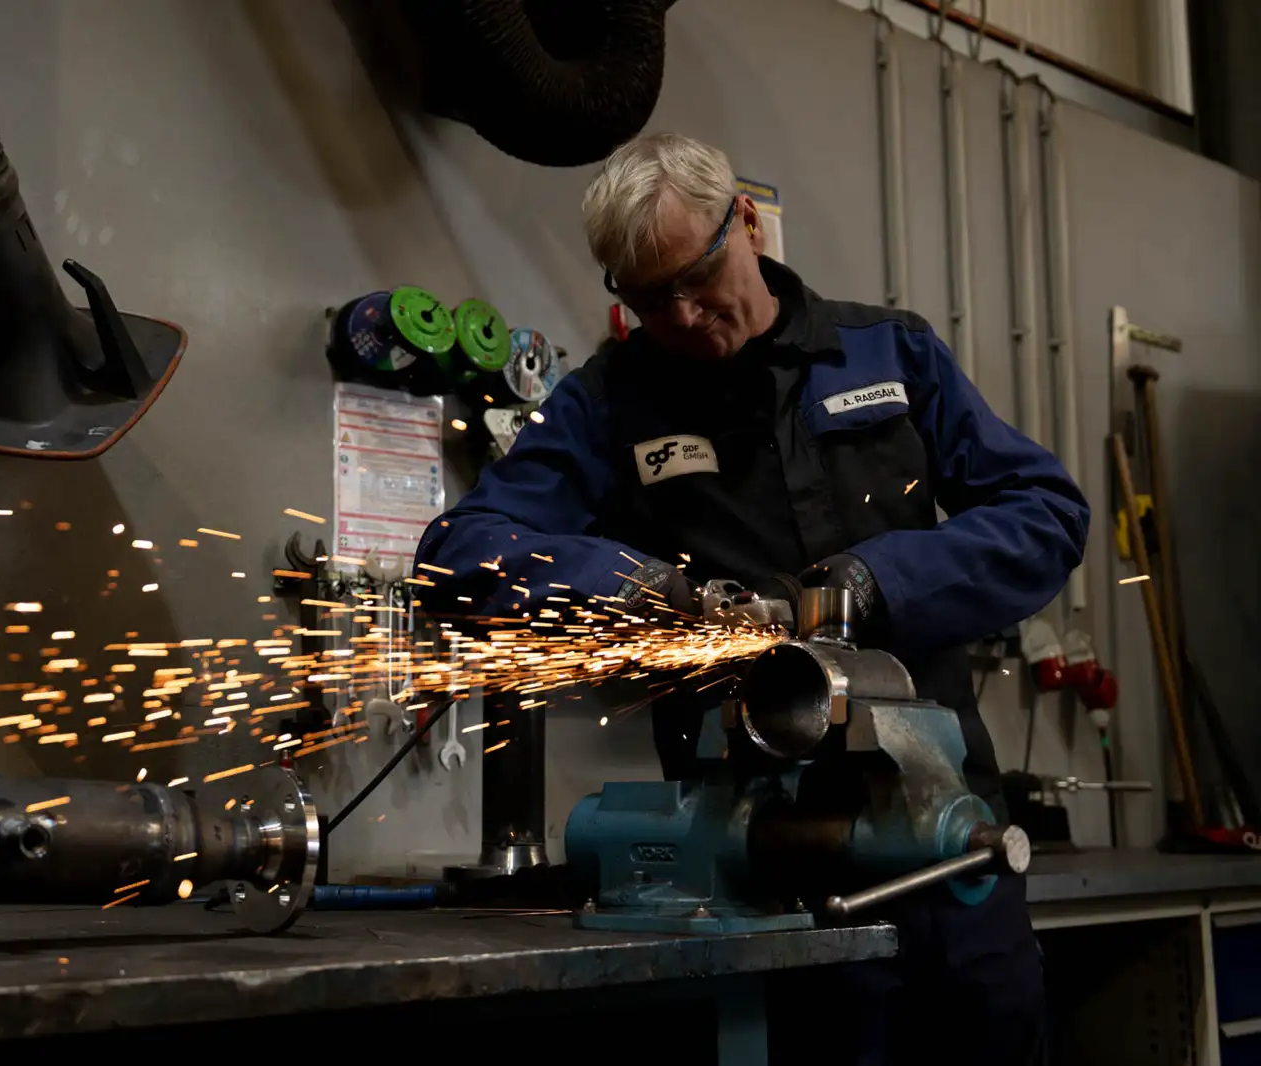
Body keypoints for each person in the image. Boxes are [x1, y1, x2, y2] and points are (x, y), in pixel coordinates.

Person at [413, 132, 1088, 1064]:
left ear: (743, 222)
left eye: (697, 277)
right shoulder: (610, 404)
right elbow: (459, 555)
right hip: (754, 866)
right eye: (650, 300)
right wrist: (639, 587)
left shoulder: (889, 354)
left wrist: (879, 581)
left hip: (946, 847)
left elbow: (1046, 512)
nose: (685, 315)